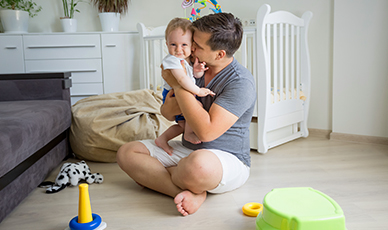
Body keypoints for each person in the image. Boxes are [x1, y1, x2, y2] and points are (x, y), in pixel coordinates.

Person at [117, 12, 256, 216]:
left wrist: (178, 84)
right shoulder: (191, 67)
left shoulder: (240, 82)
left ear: (219, 54)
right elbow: (167, 112)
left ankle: (162, 178)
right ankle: (193, 191)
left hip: (225, 158)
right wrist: (181, 84)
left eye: (197, 45)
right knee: (127, 153)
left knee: (198, 166)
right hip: (187, 149)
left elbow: (206, 132)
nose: (191, 48)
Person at [155, 17, 214, 155]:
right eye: (173, 44)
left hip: (183, 92)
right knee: (196, 108)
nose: (178, 49)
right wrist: (198, 91)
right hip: (174, 94)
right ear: (167, 44)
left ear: (192, 46)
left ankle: (162, 139)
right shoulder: (172, 60)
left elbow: (192, 77)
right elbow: (181, 80)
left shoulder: (184, 61)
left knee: (181, 124)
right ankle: (188, 135)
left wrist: (198, 71)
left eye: (184, 45)